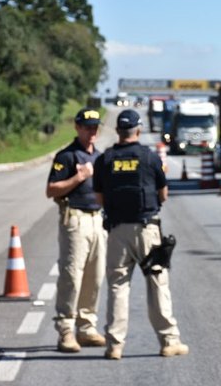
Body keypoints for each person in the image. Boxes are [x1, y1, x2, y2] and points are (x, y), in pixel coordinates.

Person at [92, 109, 188, 360]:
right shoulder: (149, 157)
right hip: (147, 229)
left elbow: (99, 197)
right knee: (157, 284)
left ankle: (114, 345)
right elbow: (163, 194)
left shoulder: (105, 159)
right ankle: (169, 341)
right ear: (138, 129)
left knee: (117, 287)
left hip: (116, 231)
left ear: (118, 131)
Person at [46, 107, 107, 353]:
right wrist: (78, 178)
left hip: (97, 219)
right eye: (87, 127)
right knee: (72, 275)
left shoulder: (100, 157)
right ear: (77, 127)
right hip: (75, 217)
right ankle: (66, 329)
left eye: (95, 127)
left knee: (95, 275)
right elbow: (51, 190)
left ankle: (87, 326)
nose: (91, 131)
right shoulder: (67, 156)